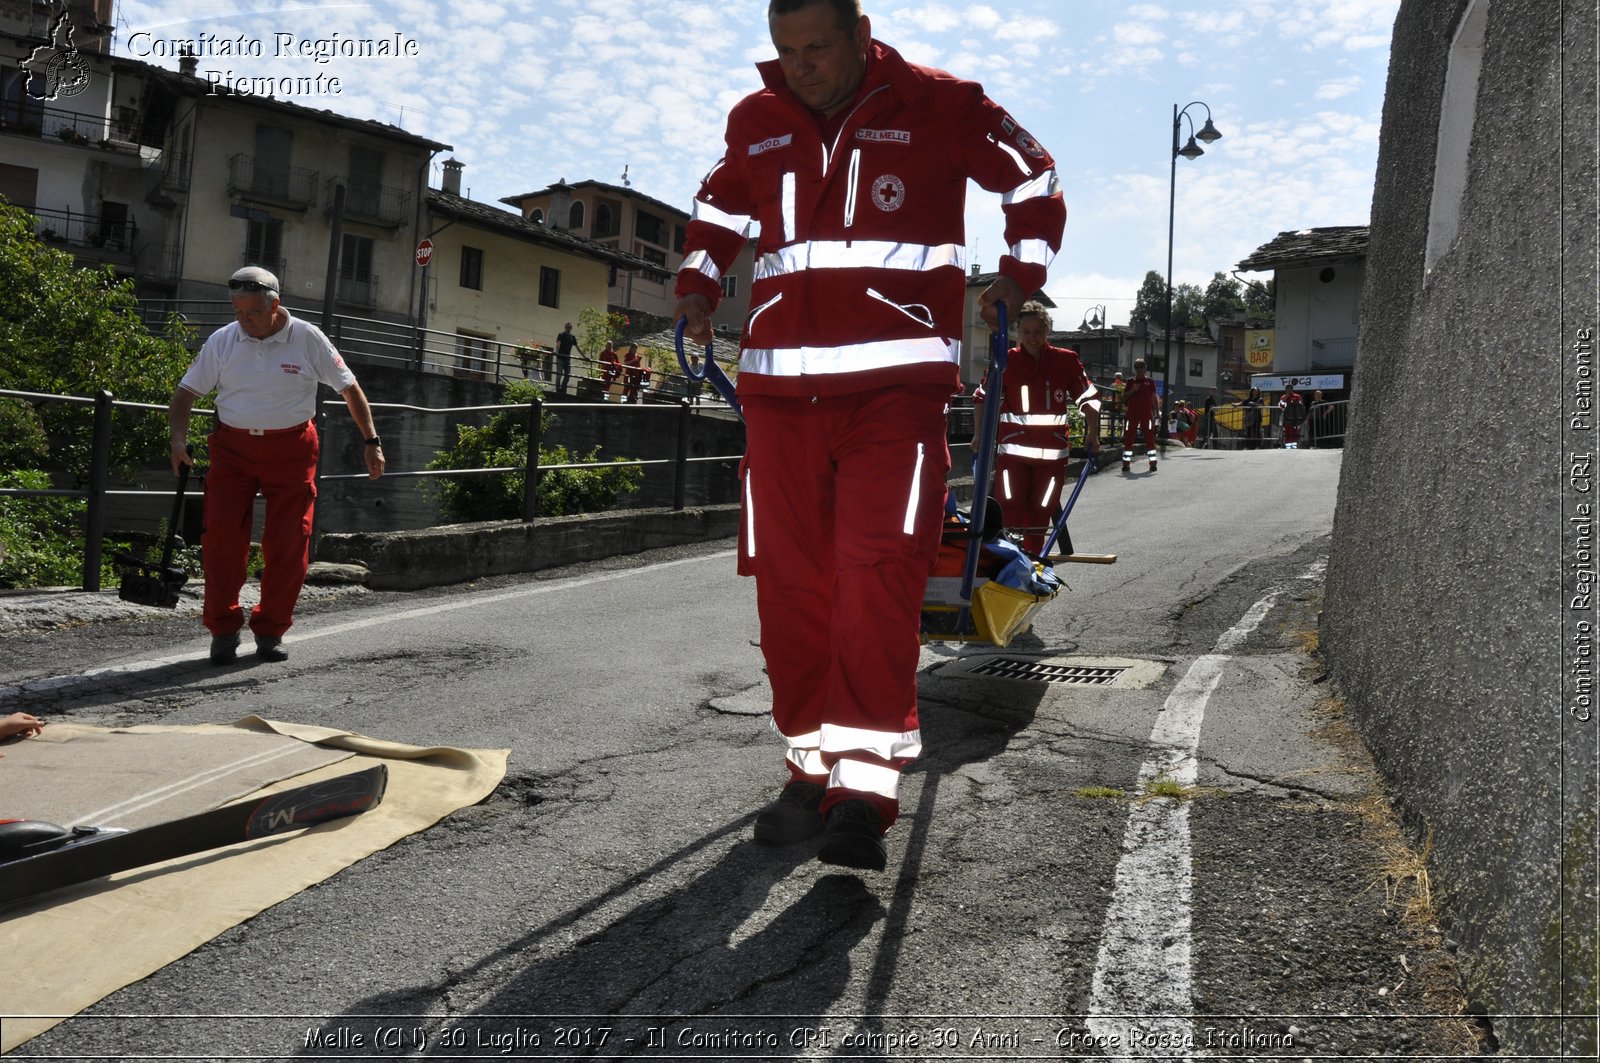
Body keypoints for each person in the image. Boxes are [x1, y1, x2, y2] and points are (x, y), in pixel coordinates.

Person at [673, 0, 1064, 871]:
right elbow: (716, 209)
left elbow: (1032, 176)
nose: (801, 65)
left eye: (817, 48)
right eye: (785, 50)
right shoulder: (756, 120)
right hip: (777, 398)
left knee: (875, 585)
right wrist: (696, 285)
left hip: (893, 399)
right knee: (791, 592)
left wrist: (1019, 273)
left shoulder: (941, 104)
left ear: (862, 35)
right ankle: (808, 766)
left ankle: (863, 791)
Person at [167, 267, 385, 665]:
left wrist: (370, 441)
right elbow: (185, 393)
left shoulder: (306, 337)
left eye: (250, 313)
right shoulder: (224, 340)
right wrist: (178, 441)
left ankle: (270, 630)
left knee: (289, 542)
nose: (242, 320)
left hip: (292, 447)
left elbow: (349, 387)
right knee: (220, 542)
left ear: (274, 306)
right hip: (231, 448)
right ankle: (223, 629)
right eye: (237, 312)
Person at [972, 301, 1099, 554]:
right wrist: (978, 434)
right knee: (1010, 509)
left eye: (1038, 331)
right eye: (1027, 332)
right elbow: (982, 397)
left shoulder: (1066, 361)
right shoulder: (1005, 361)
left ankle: (1033, 564)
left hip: (1052, 458)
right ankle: (1009, 563)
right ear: (1018, 332)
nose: (1032, 338)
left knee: (1041, 513)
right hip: (1013, 456)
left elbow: (1088, 398)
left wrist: (1093, 433)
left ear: (1047, 331)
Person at [1121, 358, 1159, 473]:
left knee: (1150, 438)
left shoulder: (1150, 382)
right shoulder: (1130, 382)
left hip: (1146, 415)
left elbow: (1153, 398)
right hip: (1132, 414)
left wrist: (1157, 412)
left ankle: (1153, 463)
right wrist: (1132, 390)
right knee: (1129, 438)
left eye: (1141, 367)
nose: (1139, 369)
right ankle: (1126, 464)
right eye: (1137, 367)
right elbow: (1123, 399)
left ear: (1145, 368)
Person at [554, 323, 580, 396]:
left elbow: (577, 347)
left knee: (567, 375)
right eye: (566, 327)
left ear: (571, 328)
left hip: (567, 359)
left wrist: (584, 356)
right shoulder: (561, 335)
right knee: (559, 374)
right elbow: (558, 343)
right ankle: (558, 390)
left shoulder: (572, 337)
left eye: (569, 327)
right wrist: (557, 351)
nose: (567, 328)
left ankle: (562, 389)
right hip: (560, 358)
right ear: (564, 327)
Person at [1279, 384, 1305, 449]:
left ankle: (1294, 445)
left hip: (1296, 418)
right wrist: (1286, 397)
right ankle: (1288, 445)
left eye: (1290, 388)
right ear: (1285, 389)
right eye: (1288, 388)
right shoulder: (1283, 397)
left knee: (1296, 431)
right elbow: (1280, 405)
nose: (1289, 390)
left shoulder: (1297, 396)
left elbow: (1301, 405)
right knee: (1288, 431)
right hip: (1287, 418)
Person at [1238, 386, 1264, 450]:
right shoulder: (1248, 399)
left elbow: (1261, 406)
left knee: (1257, 432)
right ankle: (1247, 446)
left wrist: (1254, 404)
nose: (1255, 392)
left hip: (1257, 417)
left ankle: (1258, 446)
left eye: (1257, 391)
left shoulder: (1260, 399)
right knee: (1248, 432)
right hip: (1249, 418)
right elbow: (1241, 403)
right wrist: (1235, 405)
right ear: (1251, 392)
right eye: (1254, 391)